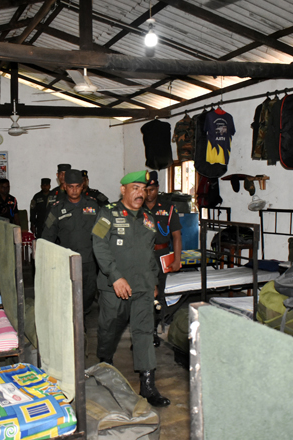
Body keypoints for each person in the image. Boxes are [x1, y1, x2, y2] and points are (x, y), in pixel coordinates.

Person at [92, 170, 170, 407]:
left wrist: (154, 281)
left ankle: (147, 386)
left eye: (143, 189)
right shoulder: (107, 213)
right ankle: (105, 364)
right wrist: (115, 277)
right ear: (123, 190)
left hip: (143, 285)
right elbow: (99, 245)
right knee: (108, 329)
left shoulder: (149, 218)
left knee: (144, 332)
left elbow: (149, 253)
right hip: (114, 286)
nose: (140, 193)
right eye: (135, 188)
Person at [41, 169, 99, 315]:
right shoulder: (56, 209)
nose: (74, 190)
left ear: (82, 186)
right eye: (71, 186)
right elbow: (47, 237)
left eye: (77, 186)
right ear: (65, 186)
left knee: (88, 295)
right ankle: (72, 323)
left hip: (89, 261)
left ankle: (82, 320)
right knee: (67, 296)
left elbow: (103, 233)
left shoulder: (93, 206)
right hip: (67, 262)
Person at [145, 171, 182, 346]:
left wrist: (177, 259)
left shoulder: (168, 208)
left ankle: (153, 330)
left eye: (151, 190)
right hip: (142, 255)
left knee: (158, 294)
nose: (148, 193)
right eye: (145, 190)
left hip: (161, 256)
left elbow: (176, 236)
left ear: (157, 188)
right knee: (141, 294)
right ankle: (140, 333)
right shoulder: (136, 207)